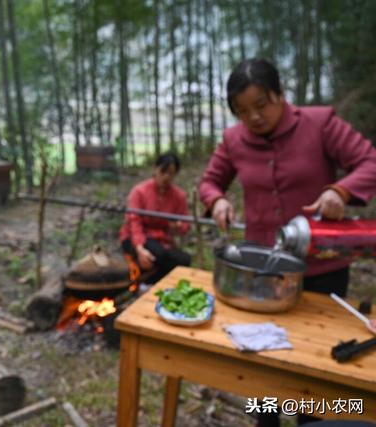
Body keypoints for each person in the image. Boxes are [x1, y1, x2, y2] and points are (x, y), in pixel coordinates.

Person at [198, 58, 376, 427]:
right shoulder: (234, 141)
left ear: (280, 95)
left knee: (312, 369)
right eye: (243, 111)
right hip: (261, 277)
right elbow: (210, 182)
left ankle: (313, 423)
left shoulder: (319, 124)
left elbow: (369, 162)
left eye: (261, 105)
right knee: (264, 369)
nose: (254, 118)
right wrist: (217, 200)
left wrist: (340, 192)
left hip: (321, 270)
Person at [120, 152, 192, 286]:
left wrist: (178, 227)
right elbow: (134, 222)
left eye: (171, 173)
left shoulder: (179, 196)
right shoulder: (139, 191)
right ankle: (145, 284)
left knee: (184, 260)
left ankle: (158, 285)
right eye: (163, 172)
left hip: (161, 240)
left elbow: (185, 225)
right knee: (159, 254)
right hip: (135, 238)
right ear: (156, 169)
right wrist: (140, 249)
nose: (166, 177)